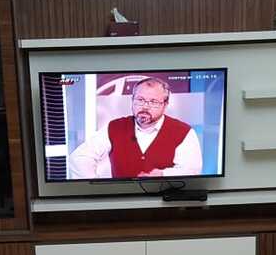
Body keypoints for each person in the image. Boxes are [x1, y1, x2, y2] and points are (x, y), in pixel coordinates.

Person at [67, 76, 203, 180]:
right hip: (122, 201)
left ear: (165, 104)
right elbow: (80, 157)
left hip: (164, 201)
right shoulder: (115, 127)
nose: (145, 106)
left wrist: (162, 175)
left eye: (153, 102)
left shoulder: (183, 132)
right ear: (132, 100)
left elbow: (192, 170)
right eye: (140, 100)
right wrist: (96, 186)